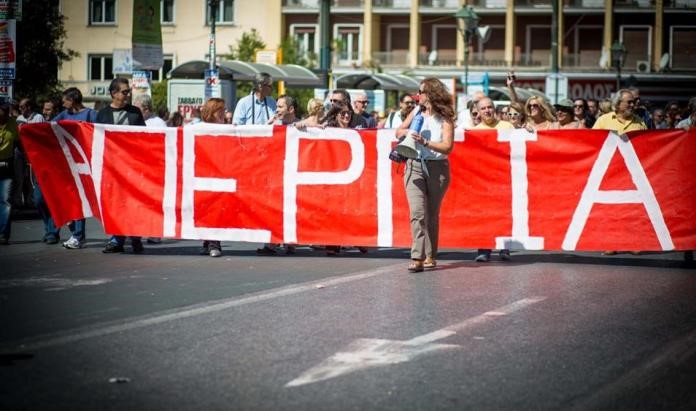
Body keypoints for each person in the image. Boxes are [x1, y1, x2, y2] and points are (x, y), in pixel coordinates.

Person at [396, 78, 455, 272]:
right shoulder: (416, 112)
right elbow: (398, 131)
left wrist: (425, 142)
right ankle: (417, 257)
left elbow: (447, 147)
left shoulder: (444, 118)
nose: (418, 95)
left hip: (437, 168)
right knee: (417, 213)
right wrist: (408, 133)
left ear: (431, 94)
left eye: (420, 92)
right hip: (414, 165)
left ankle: (431, 255)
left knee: (431, 215)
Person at [592, 89, 647, 257]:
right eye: (629, 102)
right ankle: (611, 243)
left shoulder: (640, 122)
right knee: (611, 209)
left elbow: (647, 146)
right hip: (609, 171)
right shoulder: (603, 120)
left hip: (632, 172)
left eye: (633, 102)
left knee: (632, 209)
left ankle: (632, 242)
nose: (633, 105)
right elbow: (592, 142)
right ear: (618, 103)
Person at [97, 77, 147, 254]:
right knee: (115, 204)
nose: (128, 95)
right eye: (125, 92)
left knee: (133, 203)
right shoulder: (102, 114)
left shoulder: (135, 113)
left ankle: (135, 237)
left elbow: (145, 137)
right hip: (111, 168)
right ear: (114, 93)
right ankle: (116, 239)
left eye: (128, 92)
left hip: (132, 167)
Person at [48, 87, 99, 249]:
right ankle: (77, 234)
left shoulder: (91, 114)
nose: (63, 104)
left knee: (87, 199)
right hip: (69, 162)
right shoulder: (64, 115)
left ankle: (115, 235)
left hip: (87, 163)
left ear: (73, 100)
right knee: (76, 198)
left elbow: (99, 133)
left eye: (65, 101)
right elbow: (49, 127)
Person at [472, 97, 514, 263]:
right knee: (484, 215)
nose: (487, 111)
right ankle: (484, 250)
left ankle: (505, 248)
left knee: (504, 214)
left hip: (504, 177)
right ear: (478, 112)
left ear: (494, 109)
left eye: (489, 107)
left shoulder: (507, 126)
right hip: (483, 180)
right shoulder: (475, 131)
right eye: (483, 108)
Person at [257, 95, 300, 255]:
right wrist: (267, 125)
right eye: (276, 106)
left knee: (292, 208)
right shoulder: (273, 125)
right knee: (273, 208)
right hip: (275, 174)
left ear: (291, 109)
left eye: (280, 107)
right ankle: (272, 243)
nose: (276, 110)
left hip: (294, 174)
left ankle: (290, 242)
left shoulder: (301, 125)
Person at [195, 98, 228, 258]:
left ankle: (213, 243)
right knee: (207, 209)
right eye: (220, 111)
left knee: (216, 209)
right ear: (211, 112)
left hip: (220, 174)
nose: (224, 114)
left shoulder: (227, 129)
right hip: (203, 174)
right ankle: (209, 242)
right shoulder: (197, 128)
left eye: (224, 110)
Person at [133, 93, 167, 245]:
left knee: (154, 202)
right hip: (139, 168)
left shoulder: (159, 124)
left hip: (154, 169)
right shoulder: (135, 121)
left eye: (137, 108)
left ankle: (155, 233)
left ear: (146, 109)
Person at [13, 98, 44, 210]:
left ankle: (30, 201)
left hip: (33, 151)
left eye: (22, 107)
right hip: (20, 151)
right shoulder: (19, 119)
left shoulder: (39, 117)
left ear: (29, 107)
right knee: (19, 177)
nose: (20, 109)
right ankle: (17, 201)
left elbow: (41, 134)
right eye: (19, 107)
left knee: (31, 178)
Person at [0, 104, 18, 245]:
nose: (5, 115)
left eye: (6, 112)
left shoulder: (13, 123)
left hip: (7, 166)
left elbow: (19, 142)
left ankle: (3, 234)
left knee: (5, 201)